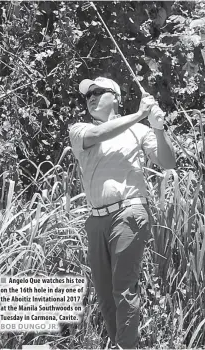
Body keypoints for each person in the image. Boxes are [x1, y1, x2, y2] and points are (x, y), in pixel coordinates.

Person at [69, 77, 176, 349]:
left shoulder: (140, 131)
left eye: (98, 92)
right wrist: (140, 113)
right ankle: (122, 345)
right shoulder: (80, 129)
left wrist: (158, 128)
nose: (90, 97)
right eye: (88, 95)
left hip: (129, 212)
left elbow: (167, 162)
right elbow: (99, 135)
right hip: (95, 221)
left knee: (124, 290)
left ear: (116, 97)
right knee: (105, 297)